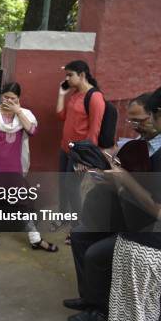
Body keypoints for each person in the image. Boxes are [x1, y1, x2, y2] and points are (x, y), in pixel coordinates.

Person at [103, 84, 161, 321]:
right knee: (144, 311)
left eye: (150, 116)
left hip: (144, 244)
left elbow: (160, 210)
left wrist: (123, 178)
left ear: (159, 113)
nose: (146, 123)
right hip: (153, 248)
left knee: (130, 315)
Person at [0, 82, 57, 252]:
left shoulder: (24, 115)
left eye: (13, 98)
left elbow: (32, 131)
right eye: (5, 97)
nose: (8, 100)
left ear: (19, 99)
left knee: (24, 202)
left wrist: (17, 111)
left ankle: (35, 238)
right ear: (1, 96)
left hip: (14, 167)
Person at [56, 60, 105, 243]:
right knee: (64, 186)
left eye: (70, 75)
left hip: (79, 154)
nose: (67, 78)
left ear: (82, 75)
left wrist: (85, 159)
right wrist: (61, 94)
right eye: (66, 75)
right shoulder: (75, 94)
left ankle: (77, 228)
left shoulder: (94, 97)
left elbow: (94, 131)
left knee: (72, 188)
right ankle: (67, 220)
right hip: (65, 148)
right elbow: (61, 116)